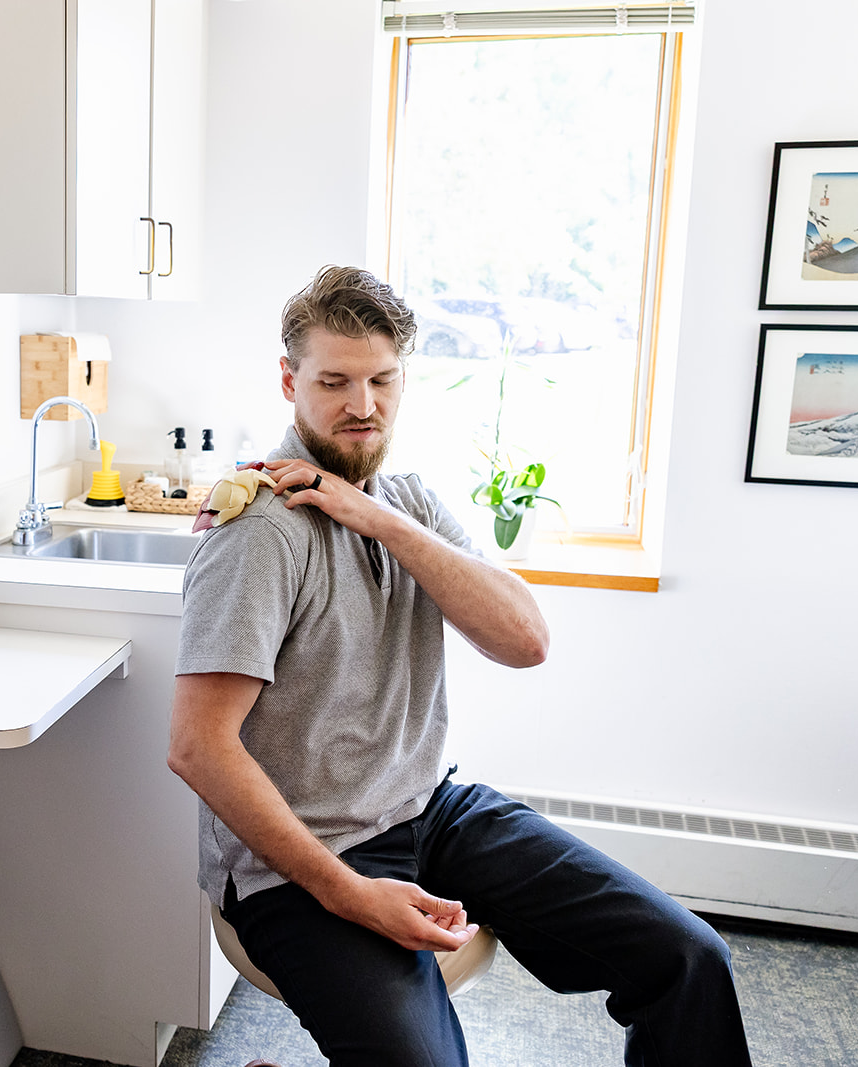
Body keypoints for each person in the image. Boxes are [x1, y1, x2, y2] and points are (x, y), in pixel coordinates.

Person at [168, 266, 752, 1066]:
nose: (362, 405)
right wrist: (348, 892)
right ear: (288, 379)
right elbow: (199, 746)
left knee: (689, 958)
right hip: (302, 855)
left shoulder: (408, 501)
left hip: (428, 808)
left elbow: (526, 640)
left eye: (382, 380)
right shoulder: (258, 528)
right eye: (334, 380)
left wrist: (376, 517)